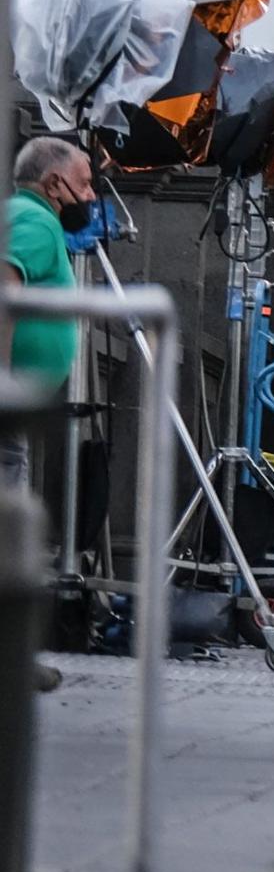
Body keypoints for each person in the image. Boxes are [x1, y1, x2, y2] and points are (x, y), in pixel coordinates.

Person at [5, 136, 97, 693]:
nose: (89, 193)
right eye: (84, 182)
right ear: (55, 183)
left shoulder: (33, 220)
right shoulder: (32, 221)